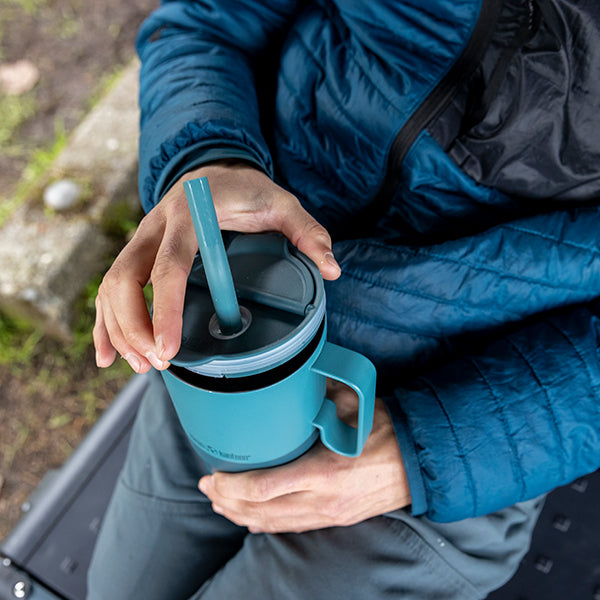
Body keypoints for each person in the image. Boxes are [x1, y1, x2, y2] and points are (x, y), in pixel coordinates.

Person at [88, 0, 600, 598]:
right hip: (229, 346)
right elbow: (204, 20)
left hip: (479, 418)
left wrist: (431, 450)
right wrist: (207, 157)